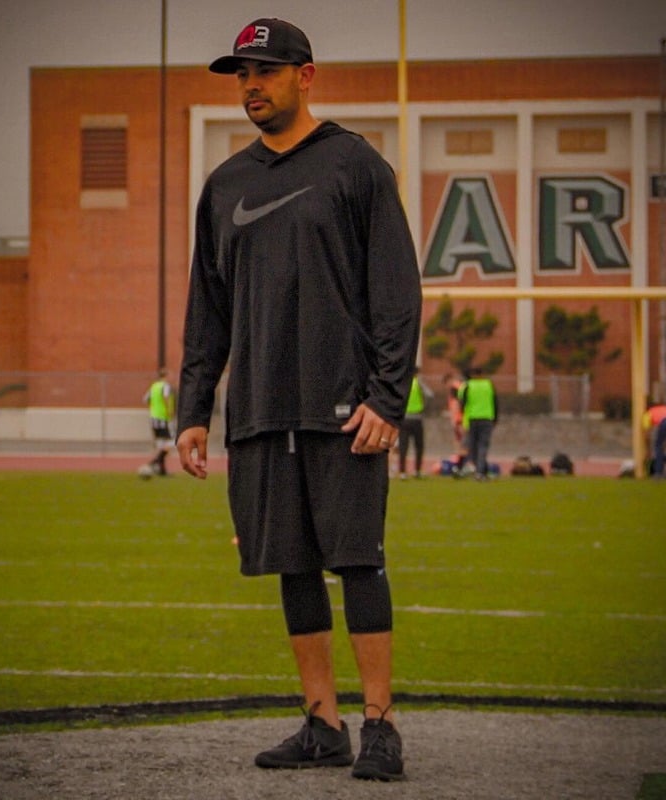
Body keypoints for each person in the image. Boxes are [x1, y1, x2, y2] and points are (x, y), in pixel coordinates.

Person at [176, 18, 421, 782]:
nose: (251, 85)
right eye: (242, 74)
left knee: (357, 560)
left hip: (344, 407)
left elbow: (397, 293)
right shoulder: (225, 186)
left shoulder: (355, 166)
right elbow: (206, 307)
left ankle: (380, 723)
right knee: (290, 564)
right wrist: (192, 408)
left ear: (305, 76)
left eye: (266, 71)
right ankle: (323, 722)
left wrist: (387, 396)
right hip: (257, 409)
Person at [457, 366, 498, 480]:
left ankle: (477, 469)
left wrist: (463, 419)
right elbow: (495, 402)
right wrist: (495, 419)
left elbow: (462, 404)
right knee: (483, 445)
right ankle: (480, 471)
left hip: (472, 418)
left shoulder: (468, 385)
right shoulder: (488, 385)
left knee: (472, 446)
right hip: (486, 418)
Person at [397, 368, 433, 479]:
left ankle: (402, 472)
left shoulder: (402, 383)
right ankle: (417, 470)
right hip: (417, 418)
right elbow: (429, 395)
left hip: (404, 418)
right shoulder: (418, 383)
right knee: (419, 445)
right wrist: (424, 407)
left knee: (403, 446)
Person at [143, 369, 175, 476]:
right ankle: (154, 462)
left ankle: (162, 471)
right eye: (170, 375)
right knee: (171, 442)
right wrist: (169, 411)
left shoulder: (154, 386)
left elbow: (146, 399)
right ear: (165, 376)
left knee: (161, 444)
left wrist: (153, 408)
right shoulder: (165, 386)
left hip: (153, 418)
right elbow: (165, 397)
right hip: (163, 418)